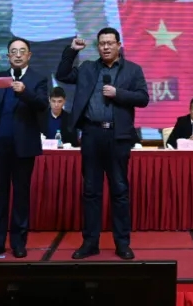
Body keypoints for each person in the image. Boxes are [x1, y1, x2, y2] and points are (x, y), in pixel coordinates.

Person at [56, 29, 149, 260]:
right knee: (91, 191)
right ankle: (90, 243)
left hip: (118, 136)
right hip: (91, 134)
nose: (106, 47)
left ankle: (122, 244)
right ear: (97, 47)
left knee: (119, 190)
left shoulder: (133, 70)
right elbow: (62, 74)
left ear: (119, 44)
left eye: (110, 43)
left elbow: (143, 98)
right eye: (101, 44)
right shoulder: (87, 68)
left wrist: (118, 93)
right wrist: (72, 51)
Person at [0, 39, 49, 258]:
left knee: (21, 195)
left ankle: (19, 243)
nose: (18, 55)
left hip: (24, 145)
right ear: (8, 56)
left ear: (29, 55)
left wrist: (24, 92)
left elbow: (42, 104)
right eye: (13, 51)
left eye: (22, 51)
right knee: (0, 195)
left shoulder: (38, 79)